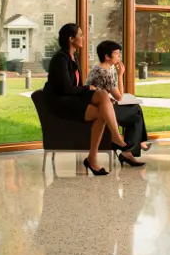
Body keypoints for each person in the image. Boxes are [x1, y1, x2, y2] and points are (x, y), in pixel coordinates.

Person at [44, 23, 130, 176]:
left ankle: (93, 157)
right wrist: (87, 89)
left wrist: (87, 90)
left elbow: (74, 86)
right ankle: (116, 139)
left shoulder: (74, 55)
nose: (83, 38)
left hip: (72, 99)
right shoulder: (60, 59)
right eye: (81, 35)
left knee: (103, 100)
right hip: (61, 103)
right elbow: (66, 89)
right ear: (71, 39)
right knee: (103, 100)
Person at [86, 40, 151, 167]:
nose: (119, 56)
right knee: (136, 111)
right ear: (107, 56)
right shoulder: (105, 73)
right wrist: (120, 75)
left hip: (99, 105)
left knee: (136, 117)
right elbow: (119, 97)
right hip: (103, 111)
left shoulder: (97, 68)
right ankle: (133, 148)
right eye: (116, 54)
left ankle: (132, 150)